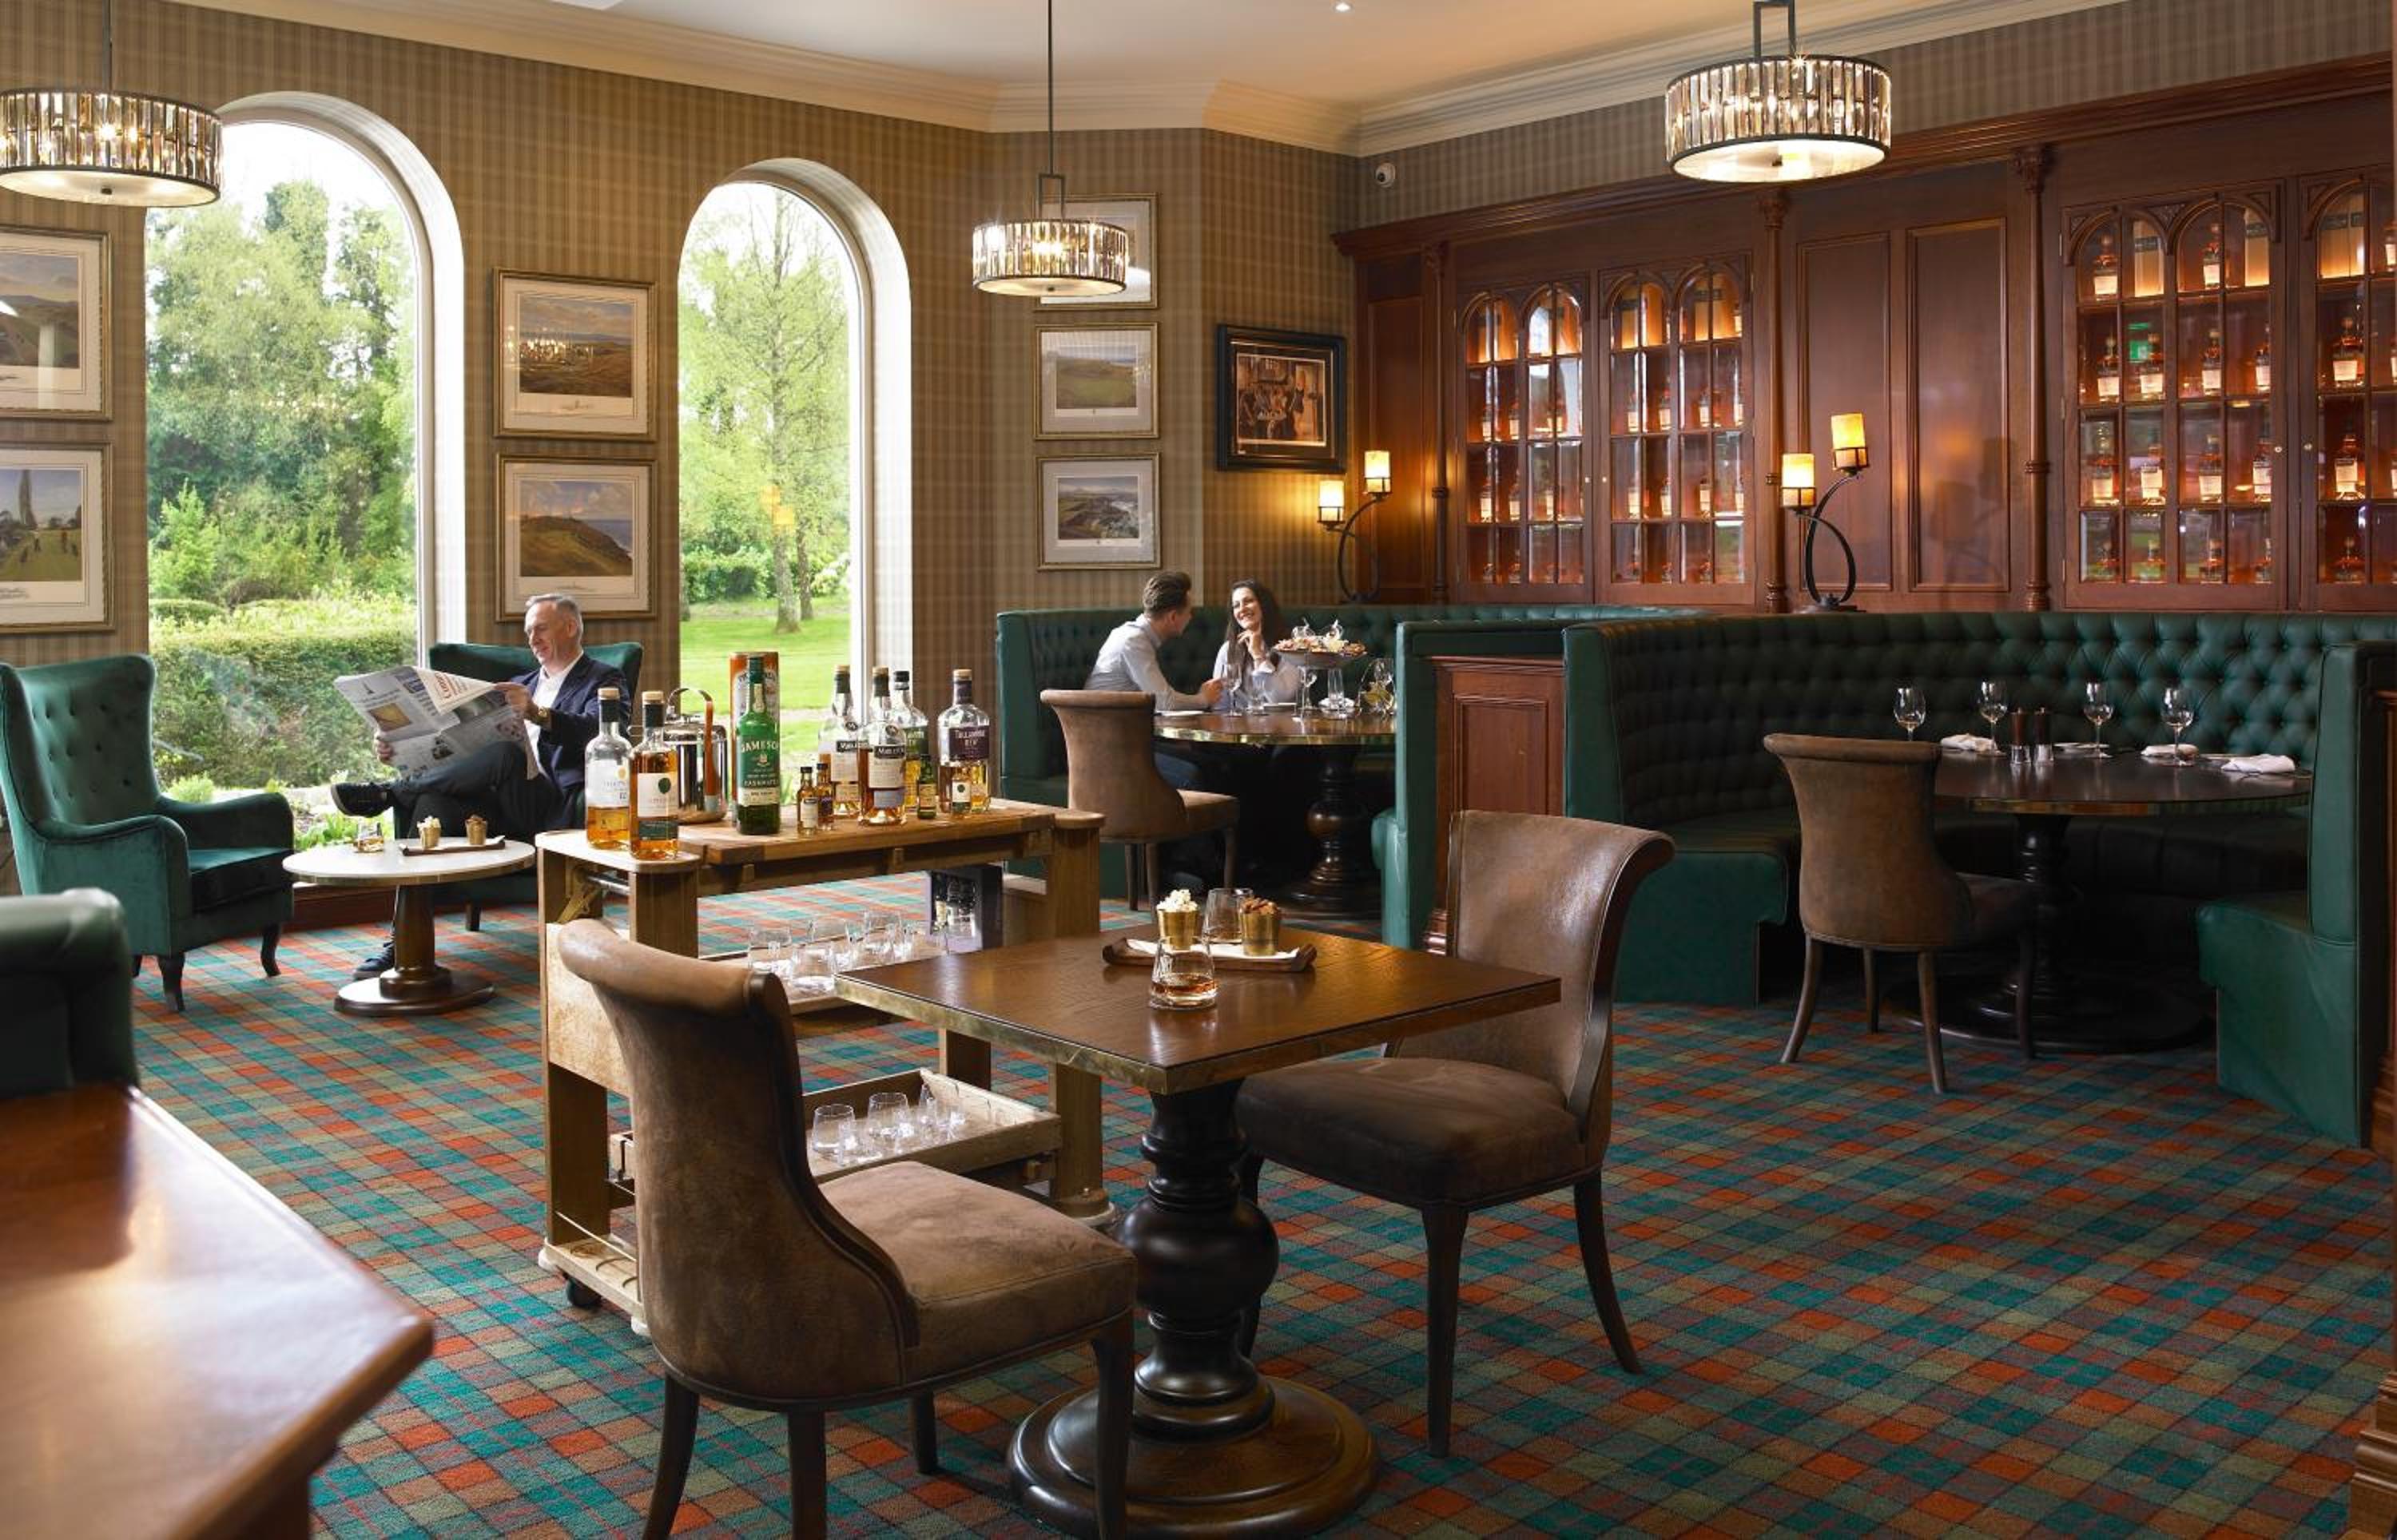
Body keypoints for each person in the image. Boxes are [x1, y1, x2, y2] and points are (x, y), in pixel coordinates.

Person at [331, 592, 626, 976]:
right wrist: (394, 745)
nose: (532, 639)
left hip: (547, 808)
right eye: (528, 631)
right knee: (431, 807)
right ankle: (401, 942)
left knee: (506, 755)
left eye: (540, 629)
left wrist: (538, 713)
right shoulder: (517, 684)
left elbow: (603, 732)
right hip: (493, 804)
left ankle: (388, 793)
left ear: (570, 627)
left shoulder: (603, 678)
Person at [1085, 570, 1222, 714]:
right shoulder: (1133, 642)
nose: (1191, 617)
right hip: (1100, 723)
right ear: (1173, 617)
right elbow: (1164, 703)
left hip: (1118, 719)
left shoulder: (1128, 634)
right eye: (1189, 612)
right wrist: (1203, 699)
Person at [1210, 578, 1305, 706]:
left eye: (1248, 601)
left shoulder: (1290, 647)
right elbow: (1220, 704)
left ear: (1264, 604)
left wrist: (1258, 656)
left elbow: (1281, 700)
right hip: (1240, 719)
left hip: (1281, 719)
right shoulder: (1228, 649)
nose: (1242, 609)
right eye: (1236, 605)